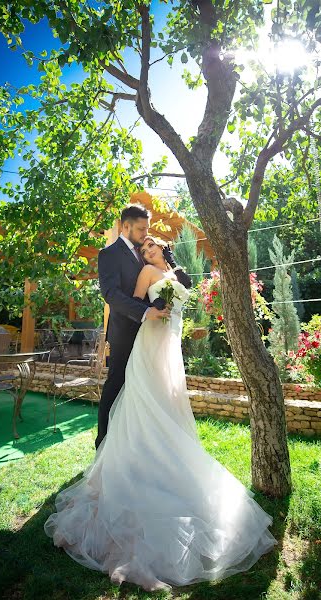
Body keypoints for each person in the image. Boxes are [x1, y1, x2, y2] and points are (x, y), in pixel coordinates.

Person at [44, 235, 276, 591]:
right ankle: (138, 464)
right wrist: (155, 312)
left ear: (163, 248)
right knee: (144, 405)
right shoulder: (147, 272)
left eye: (152, 246)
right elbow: (138, 307)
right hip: (149, 344)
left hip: (170, 349)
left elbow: (182, 307)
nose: (147, 251)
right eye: (144, 249)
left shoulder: (178, 274)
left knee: (167, 407)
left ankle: (161, 459)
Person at [94, 204, 171, 449]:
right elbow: (111, 294)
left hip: (150, 334)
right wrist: (145, 311)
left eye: (146, 228)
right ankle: (104, 443)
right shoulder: (109, 254)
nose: (144, 233)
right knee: (116, 383)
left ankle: (136, 442)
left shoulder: (144, 252)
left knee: (144, 387)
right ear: (125, 226)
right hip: (124, 331)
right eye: (140, 229)